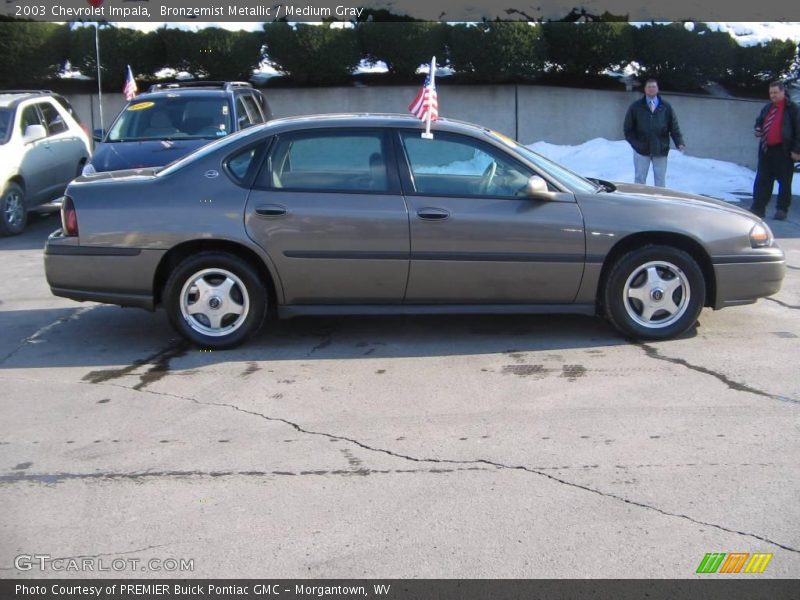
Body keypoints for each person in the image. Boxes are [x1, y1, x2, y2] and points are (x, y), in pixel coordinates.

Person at [750, 81, 800, 221]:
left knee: (784, 181)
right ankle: (758, 208)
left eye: (775, 92)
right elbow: (759, 122)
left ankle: (782, 209)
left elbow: (798, 130)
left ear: (783, 92)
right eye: (771, 93)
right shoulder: (768, 108)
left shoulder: (792, 109)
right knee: (762, 180)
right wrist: (758, 128)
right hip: (766, 149)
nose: (773, 95)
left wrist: (797, 150)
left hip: (783, 150)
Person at [623, 78, 685, 187]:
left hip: (660, 148)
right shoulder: (636, 106)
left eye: (654, 87)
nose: (651, 89)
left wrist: (679, 142)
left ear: (657, 89)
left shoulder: (666, 107)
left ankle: (658, 202)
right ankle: (639, 201)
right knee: (639, 179)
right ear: (645, 89)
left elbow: (674, 126)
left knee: (660, 180)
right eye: (649, 87)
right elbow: (628, 128)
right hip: (641, 149)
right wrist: (635, 144)